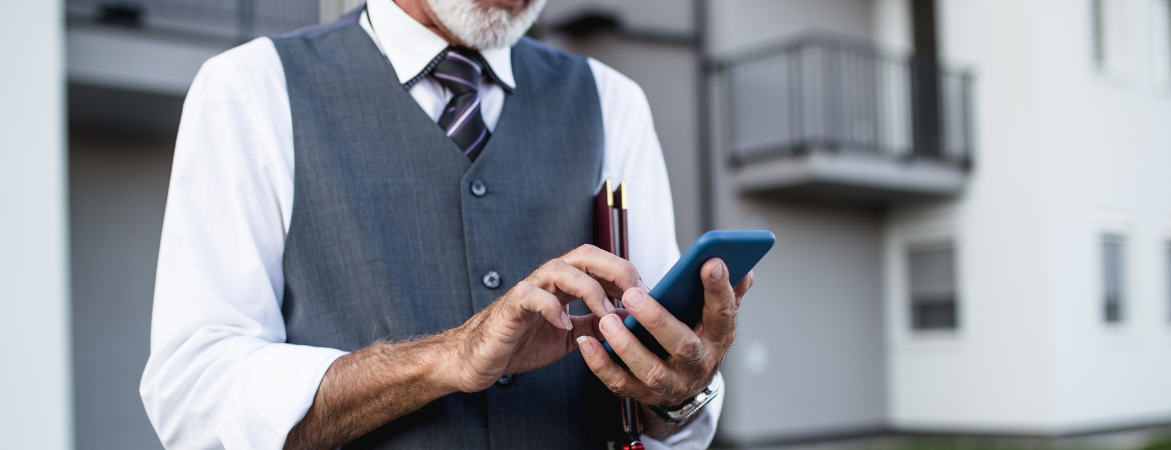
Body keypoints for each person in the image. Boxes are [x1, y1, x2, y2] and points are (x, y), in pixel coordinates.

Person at [139, 0, 755, 449]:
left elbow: (664, 414)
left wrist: (680, 390)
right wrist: (446, 357)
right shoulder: (249, 88)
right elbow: (195, 398)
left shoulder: (612, 100)